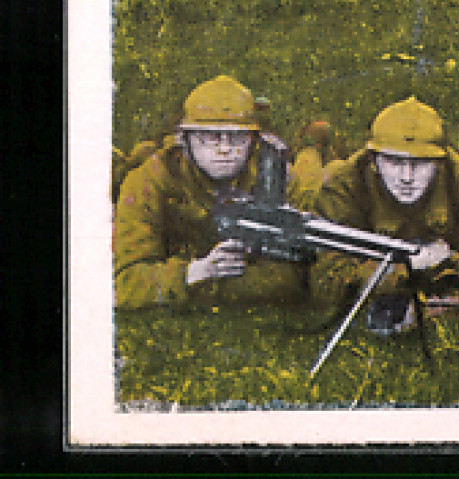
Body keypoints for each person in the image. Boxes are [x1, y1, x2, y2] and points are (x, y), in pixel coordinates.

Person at [311, 97, 459, 331]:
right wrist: (406, 269)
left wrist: (443, 262)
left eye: (420, 164)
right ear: (373, 161)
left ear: (439, 164)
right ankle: (312, 147)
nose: (406, 177)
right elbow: (326, 281)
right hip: (313, 185)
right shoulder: (343, 186)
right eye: (393, 162)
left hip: (423, 268)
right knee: (307, 179)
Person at [113, 76, 323, 309]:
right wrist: (194, 272)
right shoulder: (150, 181)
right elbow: (124, 282)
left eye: (237, 137)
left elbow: (296, 276)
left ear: (254, 141)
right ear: (185, 139)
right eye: (210, 136)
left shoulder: (276, 178)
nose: (225, 149)